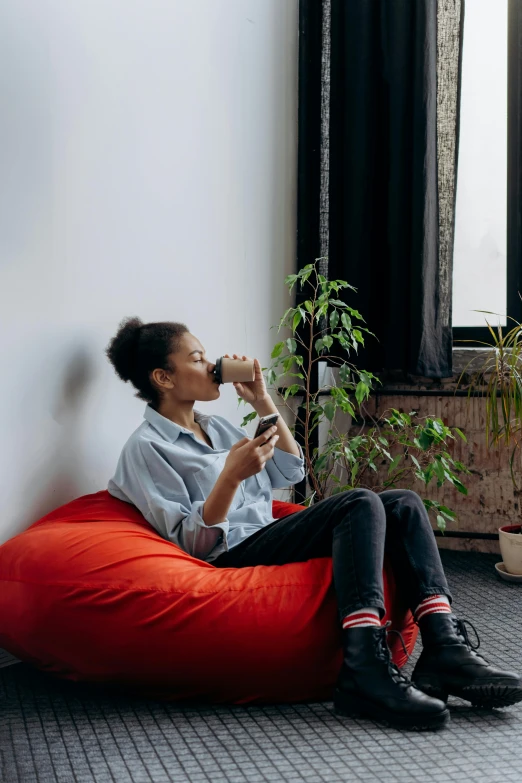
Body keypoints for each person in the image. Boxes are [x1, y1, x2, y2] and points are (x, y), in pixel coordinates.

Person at [105, 316, 522, 732]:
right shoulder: (146, 448)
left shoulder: (215, 427)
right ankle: (362, 669)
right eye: (197, 359)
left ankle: (445, 649)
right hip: (230, 552)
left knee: (403, 504)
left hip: (267, 533)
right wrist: (231, 477)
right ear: (163, 377)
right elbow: (191, 541)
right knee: (358, 503)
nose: (211, 364)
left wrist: (262, 402)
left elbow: (289, 473)